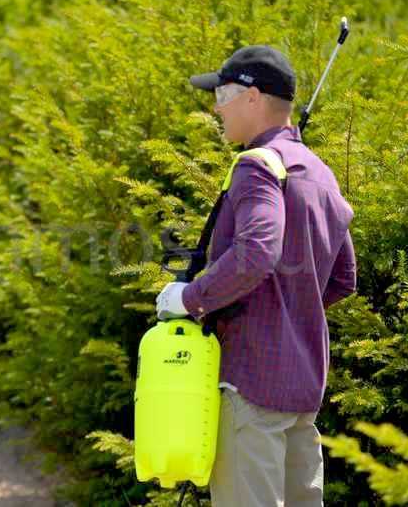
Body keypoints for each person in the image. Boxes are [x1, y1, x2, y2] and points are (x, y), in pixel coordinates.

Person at [155, 45, 356, 506]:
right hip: (302, 392)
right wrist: (287, 309)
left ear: (252, 96)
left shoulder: (257, 166)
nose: (215, 106)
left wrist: (189, 298)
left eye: (222, 93)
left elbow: (257, 252)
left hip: (251, 391)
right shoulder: (320, 173)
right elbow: (342, 277)